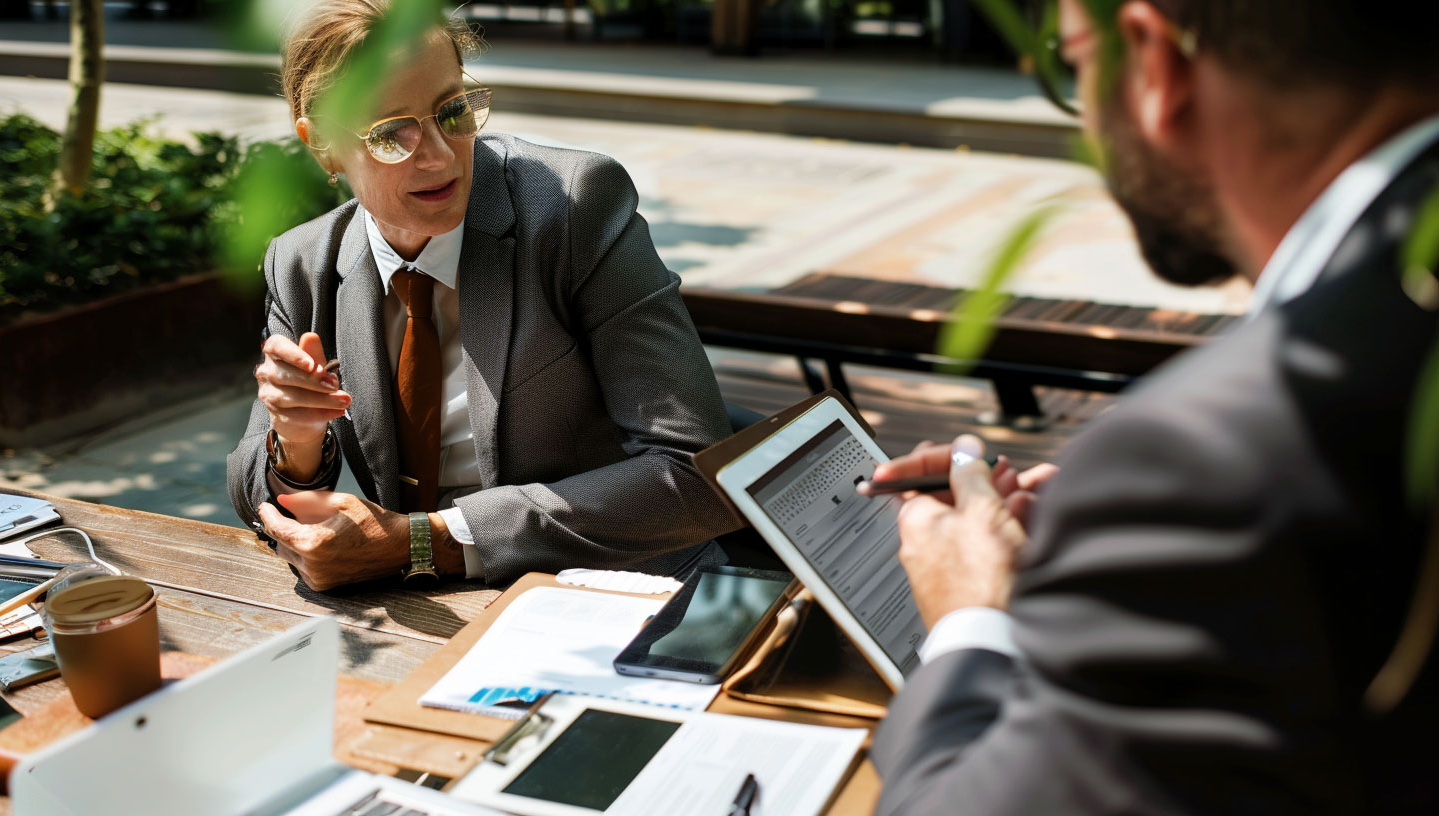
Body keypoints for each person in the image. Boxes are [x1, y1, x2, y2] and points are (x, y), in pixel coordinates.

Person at [867, 0, 1439, 812]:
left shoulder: (1211, 457)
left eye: (1072, 65)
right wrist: (1125, 555)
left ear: (1154, 63)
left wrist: (971, 615)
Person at [226, 0, 737, 591]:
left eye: (453, 111)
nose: (440, 155)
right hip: (424, 609)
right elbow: (254, 493)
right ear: (323, 147)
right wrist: (296, 444)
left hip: (614, 596)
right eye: (391, 134)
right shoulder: (302, 262)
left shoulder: (573, 208)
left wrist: (425, 542)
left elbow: (697, 473)